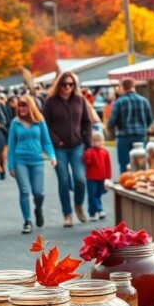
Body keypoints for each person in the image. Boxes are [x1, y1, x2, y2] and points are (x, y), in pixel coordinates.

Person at [43, 71, 92, 226]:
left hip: (78, 145)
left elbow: (87, 122)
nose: (67, 87)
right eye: (64, 84)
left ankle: (78, 204)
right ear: (59, 85)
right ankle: (67, 214)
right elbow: (46, 125)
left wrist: (88, 143)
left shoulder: (80, 100)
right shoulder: (51, 102)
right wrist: (56, 140)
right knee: (63, 181)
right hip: (59, 148)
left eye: (71, 84)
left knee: (80, 179)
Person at [8, 96, 57, 233]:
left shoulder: (39, 121)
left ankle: (38, 208)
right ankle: (27, 221)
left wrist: (52, 156)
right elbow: (11, 146)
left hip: (36, 161)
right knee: (24, 191)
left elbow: (46, 142)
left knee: (38, 193)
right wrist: (10, 166)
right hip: (20, 161)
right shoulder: (15, 123)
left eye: (25, 105)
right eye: (20, 105)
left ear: (31, 106)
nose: (22, 108)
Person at [107, 77, 154, 174]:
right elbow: (150, 120)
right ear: (133, 86)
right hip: (140, 137)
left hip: (124, 138)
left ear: (123, 87)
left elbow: (111, 122)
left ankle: (126, 186)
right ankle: (139, 185)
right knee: (140, 165)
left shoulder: (119, 102)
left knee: (125, 166)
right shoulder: (144, 101)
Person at [83, 131, 112, 220]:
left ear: (102, 141)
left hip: (101, 178)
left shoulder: (105, 152)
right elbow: (87, 162)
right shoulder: (89, 151)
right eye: (94, 141)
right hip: (91, 177)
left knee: (98, 194)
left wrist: (108, 178)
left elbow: (108, 166)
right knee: (92, 195)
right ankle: (99, 210)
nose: (97, 143)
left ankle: (93, 212)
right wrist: (87, 156)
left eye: (98, 141)